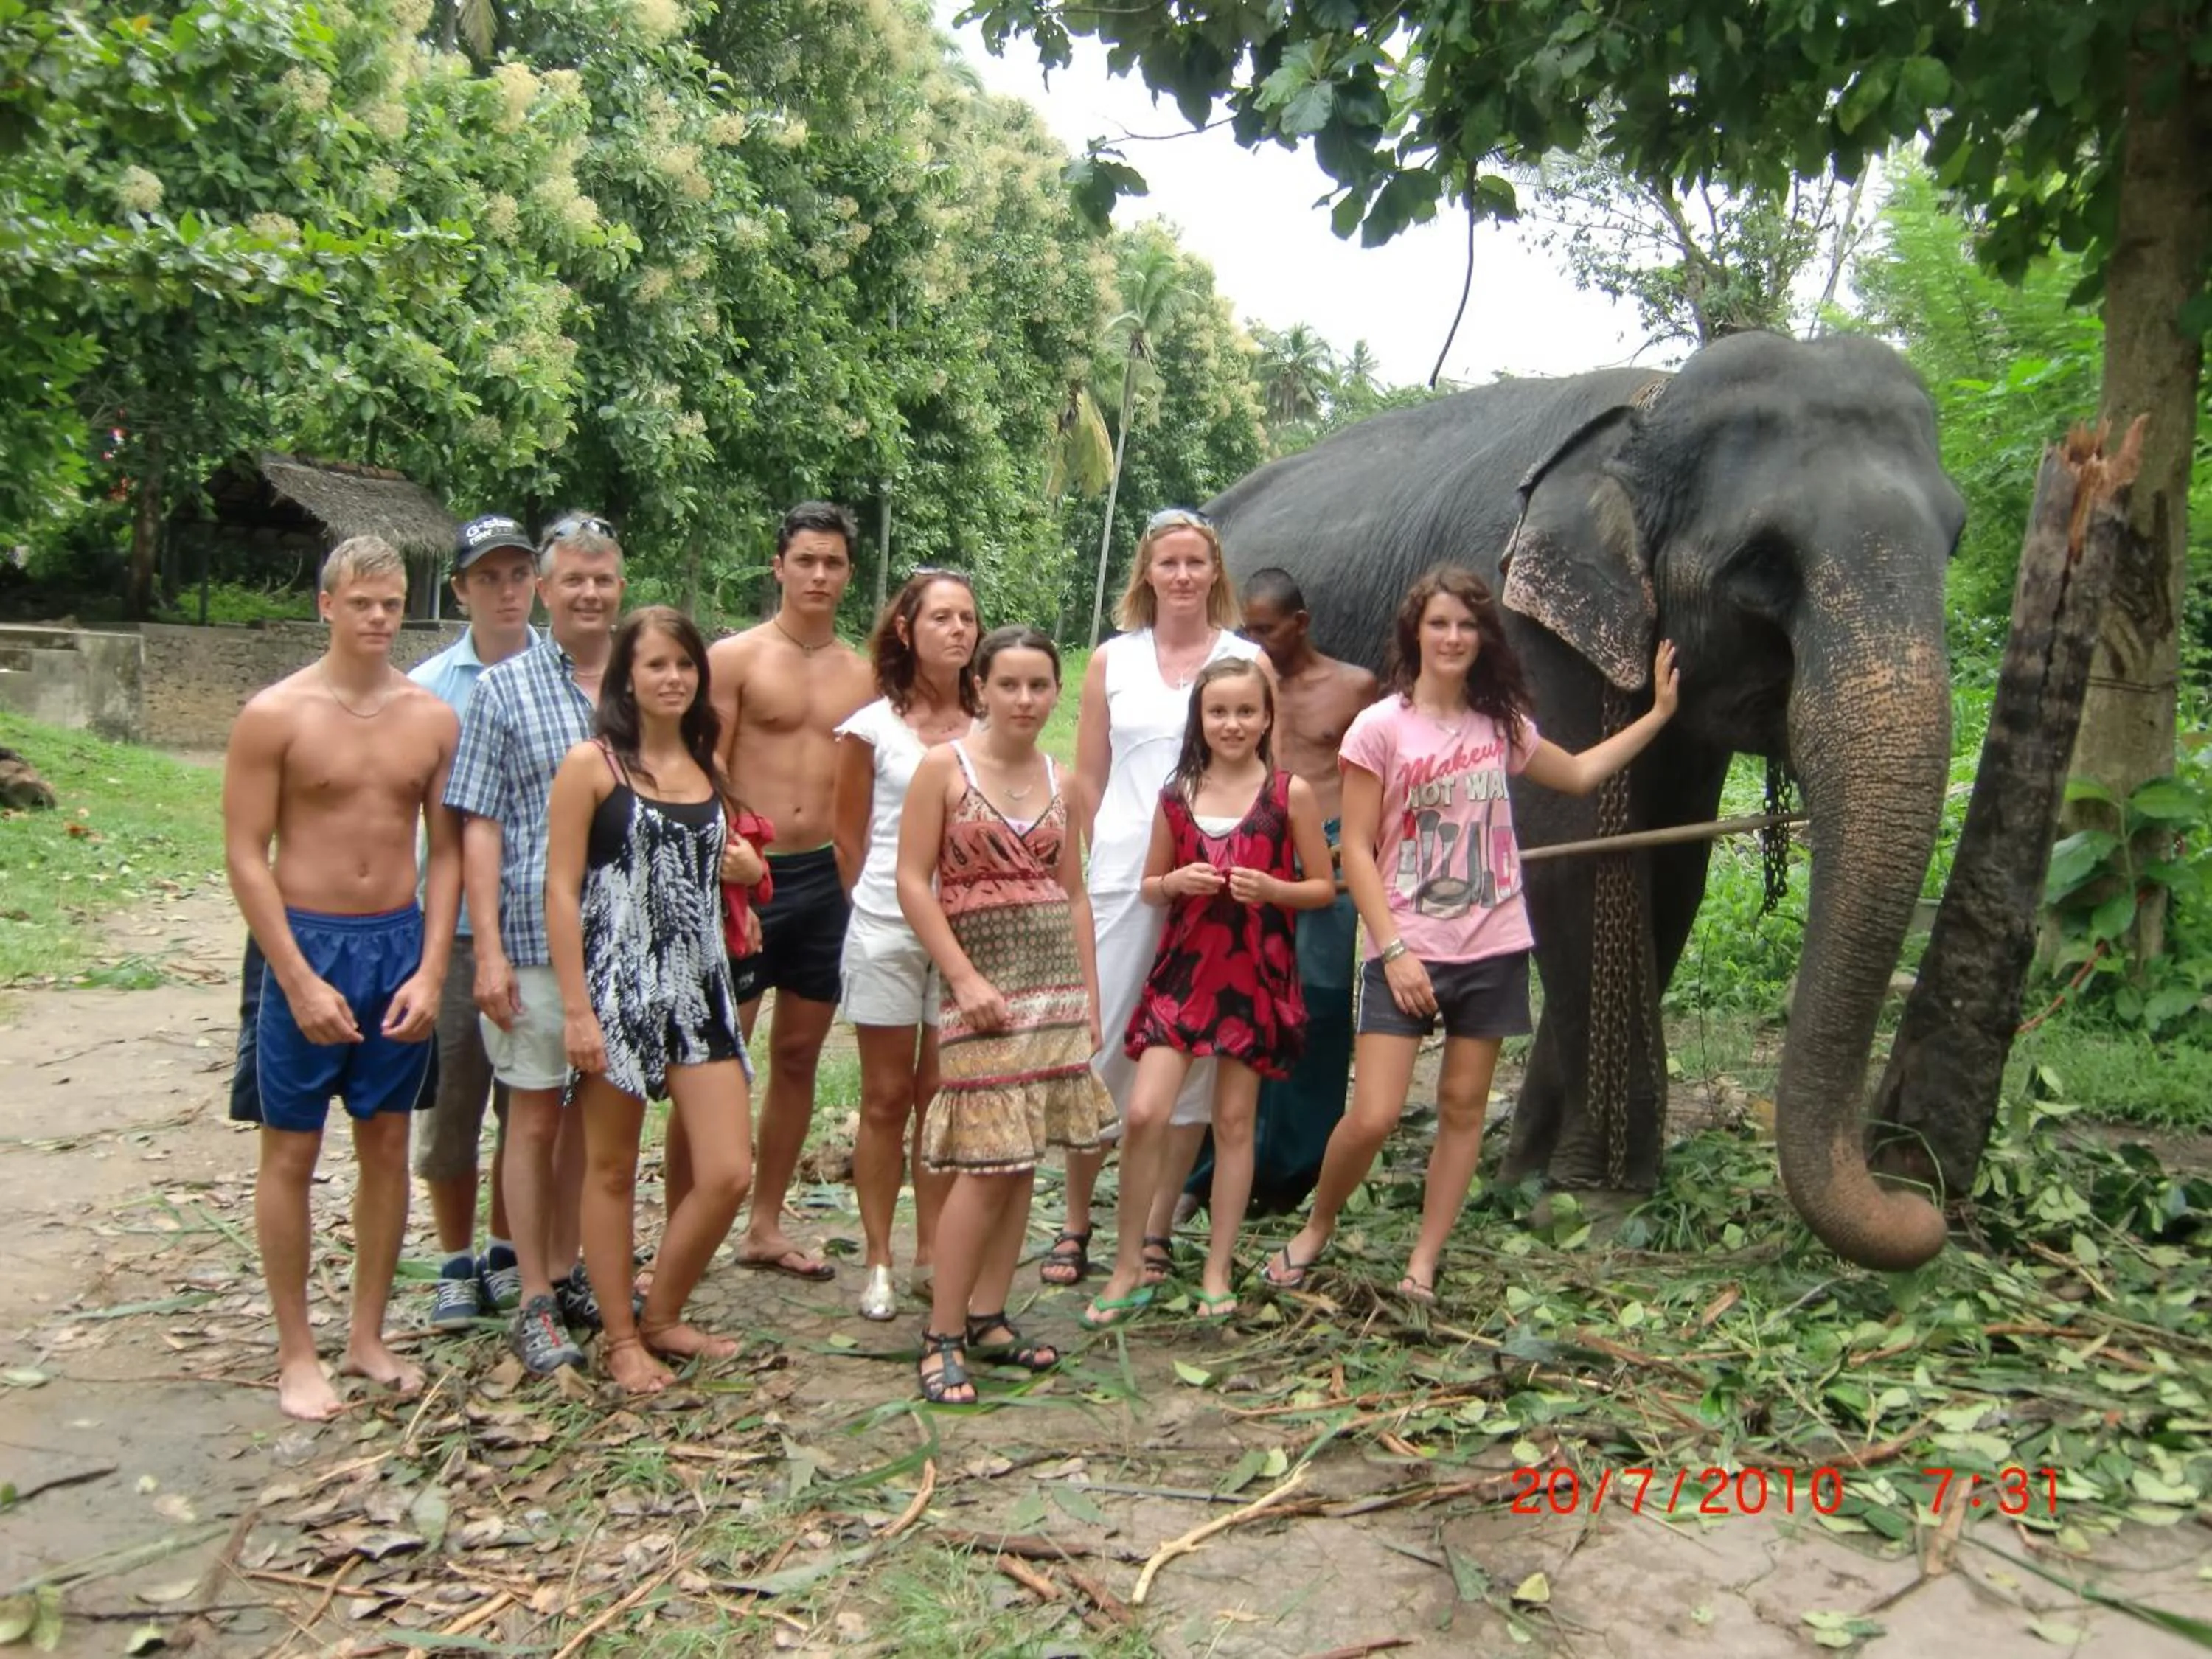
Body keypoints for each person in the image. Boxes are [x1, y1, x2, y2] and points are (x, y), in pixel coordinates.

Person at [1263, 567, 1680, 1301]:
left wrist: (1660, 715)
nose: (1453, 638)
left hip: (1493, 946)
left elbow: (1579, 775)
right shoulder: (1380, 727)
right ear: (1415, 634)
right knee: (1375, 1115)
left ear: (1483, 639)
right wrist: (1392, 950)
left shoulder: (1502, 723)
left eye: (1466, 626)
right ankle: (1316, 1228)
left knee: (1462, 1108)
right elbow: (1355, 848)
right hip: (1408, 946)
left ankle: (1424, 1259)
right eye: (1439, 624)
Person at [221, 536, 460, 1421]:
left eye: (392, 603)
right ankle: (296, 1351)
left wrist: (434, 969)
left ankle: (366, 1335)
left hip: (396, 944)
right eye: (361, 602)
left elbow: (447, 856)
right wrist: (295, 978)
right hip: (306, 944)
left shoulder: (431, 717)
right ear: (327, 606)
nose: (377, 618)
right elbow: (246, 855)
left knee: (388, 1140)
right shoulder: (275, 715)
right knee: (290, 1147)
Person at [895, 627, 1116, 1402]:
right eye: (1010, 685)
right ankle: (940, 1333)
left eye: (1039, 686)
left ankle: (989, 1317)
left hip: (1052, 994)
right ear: (980, 688)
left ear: (1056, 692)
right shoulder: (943, 770)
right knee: (984, 1168)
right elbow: (914, 884)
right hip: (980, 995)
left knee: (1023, 1160)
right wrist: (962, 977)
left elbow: (1075, 893)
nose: (1025, 700)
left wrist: (1087, 998)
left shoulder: (1063, 781)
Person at [1082, 658, 1335, 1328]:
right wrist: (1175, 884)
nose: (1232, 724)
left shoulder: (1290, 794)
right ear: (1199, 718)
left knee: (1231, 1124)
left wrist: (1275, 890)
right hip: (1184, 973)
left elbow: (1324, 888)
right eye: (1218, 711)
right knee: (1144, 1113)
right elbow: (1147, 884)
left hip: (1254, 978)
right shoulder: (1176, 791)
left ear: (1267, 718)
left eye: (1245, 711)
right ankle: (1126, 1264)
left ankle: (1217, 1269)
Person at [1048, 508, 1265, 1289]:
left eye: (1195, 563)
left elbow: (1262, 770)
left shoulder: (1245, 658)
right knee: (1101, 1046)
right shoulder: (1113, 660)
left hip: (1214, 880)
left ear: (1215, 574)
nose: (1181, 577)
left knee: (1194, 1060)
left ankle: (1154, 1227)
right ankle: (1076, 1223)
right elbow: (1089, 777)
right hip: (1120, 873)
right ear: (1145, 574)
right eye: (1167, 563)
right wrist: (1078, 863)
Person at [545, 608, 759, 1394]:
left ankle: (664, 1311)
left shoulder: (708, 767)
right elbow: (561, 891)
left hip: (699, 990)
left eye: (685, 665)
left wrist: (742, 878)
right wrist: (576, 1008)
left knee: (729, 1169)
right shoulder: (593, 766)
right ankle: (622, 1337)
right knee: (609, 1169)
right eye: (656, 665)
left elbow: (708, 880)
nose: (673, 679)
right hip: (618, 989)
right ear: (626, 677)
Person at [445, 512, 629, 1374]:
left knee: (591, 1122)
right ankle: (528, 1294)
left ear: (618, 586)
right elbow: (477, 827)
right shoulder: (503, 689)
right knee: (530, 1115)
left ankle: (567, 1268)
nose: (589, 594)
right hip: (524, 937)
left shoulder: (642, 685)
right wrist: (483, 950)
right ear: (546, 593)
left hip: (620, 944)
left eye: (604, 579)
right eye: (574, 581)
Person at [707, 503, 874, 1283]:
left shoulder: (866, 673)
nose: (818, 576)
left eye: (832, 563)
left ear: (848, 572)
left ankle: (765, 1222)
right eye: (804, 560)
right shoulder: (736, 659)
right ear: (777, 566)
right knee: (715, 1056)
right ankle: (692, 1220)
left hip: (824, 877)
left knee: (799, 1053)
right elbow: (700, 767)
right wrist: (726, 849)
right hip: (744, 871)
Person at [1181, 568, 1380, 1220]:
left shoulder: (1353, 687)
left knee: (1318, 1007)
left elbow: (1375, 778)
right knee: (1234, 999)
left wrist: (1364, 850)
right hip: (1249, 841)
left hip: (1325, 849)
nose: (1252, 641)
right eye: (1244, 629)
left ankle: (1299, 1164)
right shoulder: (1236, 686)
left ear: (1301, 623)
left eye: (1264, 629)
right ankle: (1211, 1167)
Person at [832, 571, 979, 1321]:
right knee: (887, 1096)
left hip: (971, 937)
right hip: (888, 928)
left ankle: (932, 1252)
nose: (957, 630)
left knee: (945, 1096)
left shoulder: (990, 726)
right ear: (905, 630)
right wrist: (883, 909)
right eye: (941, 617)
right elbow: (849, 841)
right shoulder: (870, 729)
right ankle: (879, 1258)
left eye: (967, 618)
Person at [409, 513, 542, 1329]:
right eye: (486, 577)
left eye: (517, 574)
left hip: (537, 923)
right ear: (460, 589)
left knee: (528, 1102)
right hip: (452, 928)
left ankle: (505, 1247)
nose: (504, 590)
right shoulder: (426, 690)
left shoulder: (568, 679)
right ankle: (454, 1257)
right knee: (454, 1100)